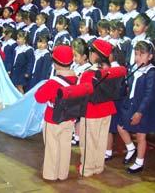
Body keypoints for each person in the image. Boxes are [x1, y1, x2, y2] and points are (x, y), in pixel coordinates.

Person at [117, 41, 155, 173]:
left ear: (150, 56)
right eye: (136, 54)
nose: (138, 57)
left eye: (142, 54)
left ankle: (139, 162)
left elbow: (149, 96)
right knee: (120, 126)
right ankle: (131, 148)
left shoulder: (152, 73)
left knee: (140, 136)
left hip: (144, 109)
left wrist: (139, 112)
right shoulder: (135, 68)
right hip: (132, 103)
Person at [34, 45, 77, 181]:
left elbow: (39, 97)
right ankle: (62, 174)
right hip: (69, 119)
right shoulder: (76, 79)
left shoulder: (53, 82)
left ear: (55, 63)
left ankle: (50, 174)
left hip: (53, 119)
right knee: (65, 147)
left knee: (52, 147)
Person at [78, 39, 116, 177]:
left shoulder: (88, 73)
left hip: (92, 110)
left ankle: (87, 169)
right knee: (101, 140)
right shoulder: (111, 70)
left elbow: (81, 91)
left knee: (88, 140)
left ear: (95, 55)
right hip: (107, 109)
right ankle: (98, 166)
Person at [70, 39, 92, 146]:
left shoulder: (87, 68)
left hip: (81, 95)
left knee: (78, 117)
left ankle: (78, 135)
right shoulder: (75, 65)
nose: (73, 58)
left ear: (84, 56)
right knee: (75, 117)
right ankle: (75, 134)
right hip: (73, 93)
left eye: (76, 56)